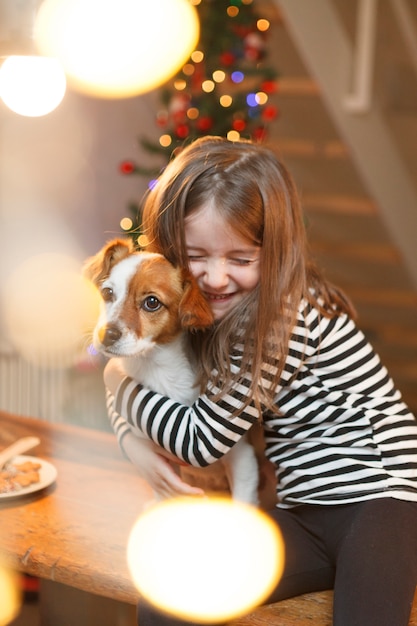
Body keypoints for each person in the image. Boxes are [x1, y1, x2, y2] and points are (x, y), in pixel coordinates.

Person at [104, 136, 417, 626]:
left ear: (274, 252)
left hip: (382, 500)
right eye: (195, 256)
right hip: (305, 510)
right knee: (171, 590)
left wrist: (114, 382)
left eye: (241, 259)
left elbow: (201, 441)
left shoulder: (280, 320)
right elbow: (154, 380)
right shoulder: (195, 309)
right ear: (168, 248)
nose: (216, 277)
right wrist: (133, 441)